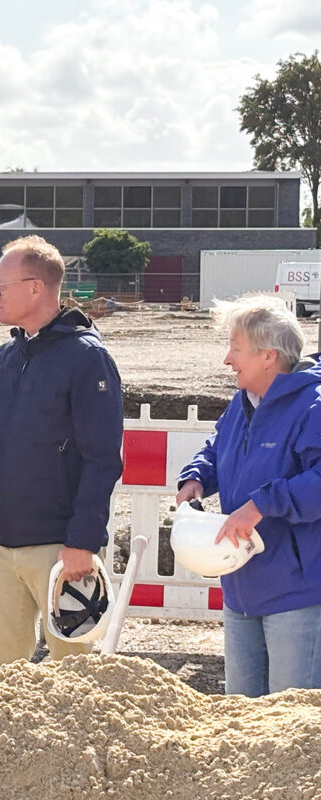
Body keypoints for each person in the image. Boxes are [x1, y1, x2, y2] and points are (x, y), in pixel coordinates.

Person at [0, 235, 123, 669]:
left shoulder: (87, 359)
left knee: (74, 674)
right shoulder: (2, 359)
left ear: (35, 288)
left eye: (0, 286)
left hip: (61, 551)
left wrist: (82, 542)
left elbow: (102, 459)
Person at [176, 294, 321, 697]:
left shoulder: (313, 406)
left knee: (290, 718)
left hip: (297, 596)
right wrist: (196, 477)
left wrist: (261, 504)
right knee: (240, 714)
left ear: (268, 356)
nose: (227, 359)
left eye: (235, 348)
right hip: (241, 591)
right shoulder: (243, 404)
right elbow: (217, 446)